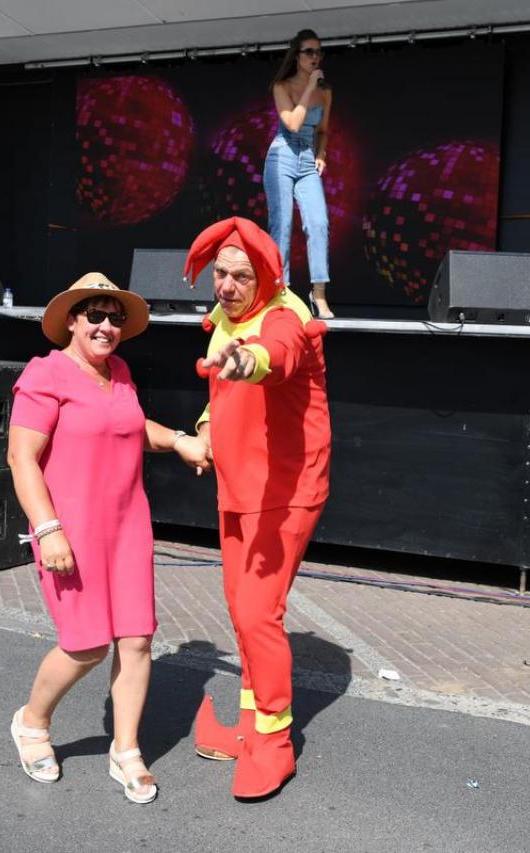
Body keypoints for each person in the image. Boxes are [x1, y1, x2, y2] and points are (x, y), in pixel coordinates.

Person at [6, 272, 210, 805]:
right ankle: (32, 722)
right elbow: (21, 458)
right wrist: (48, 529)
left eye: (115, 318)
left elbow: (132, 427)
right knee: (86, 644)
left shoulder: (118, 373)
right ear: (71, 322)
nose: (106, 326)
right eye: (94, 315)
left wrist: (179, 441)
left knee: (137, 639)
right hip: (68, 529)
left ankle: (126, 751)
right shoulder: (46, 374)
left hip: (127, 526)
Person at [183, 217, 331, 799]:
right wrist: (205, 430)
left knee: (255, 612)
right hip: (239, 483)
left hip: (285, 489)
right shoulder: (227, 318)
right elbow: (221, 393)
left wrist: (248, 362)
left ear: (266, 277)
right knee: (240, 608)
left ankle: (274, 742)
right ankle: (249, 726)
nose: (226, 285)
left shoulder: (284, 315)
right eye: (220, 273)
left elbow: (276, 355)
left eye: (240, 276)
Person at [265, 28, 336, 319]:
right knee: (281, 225)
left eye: (318, 52)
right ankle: (280, 291)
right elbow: (293, 123)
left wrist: (321, 154)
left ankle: (318, 294)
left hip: (307, 159)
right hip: (282, 156)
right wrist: (308, 88)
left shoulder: (326, 92)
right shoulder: (281, 86)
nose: (315, 57)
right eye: (309, 52)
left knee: (318, 223)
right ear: (297, 56)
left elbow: (322, 130)